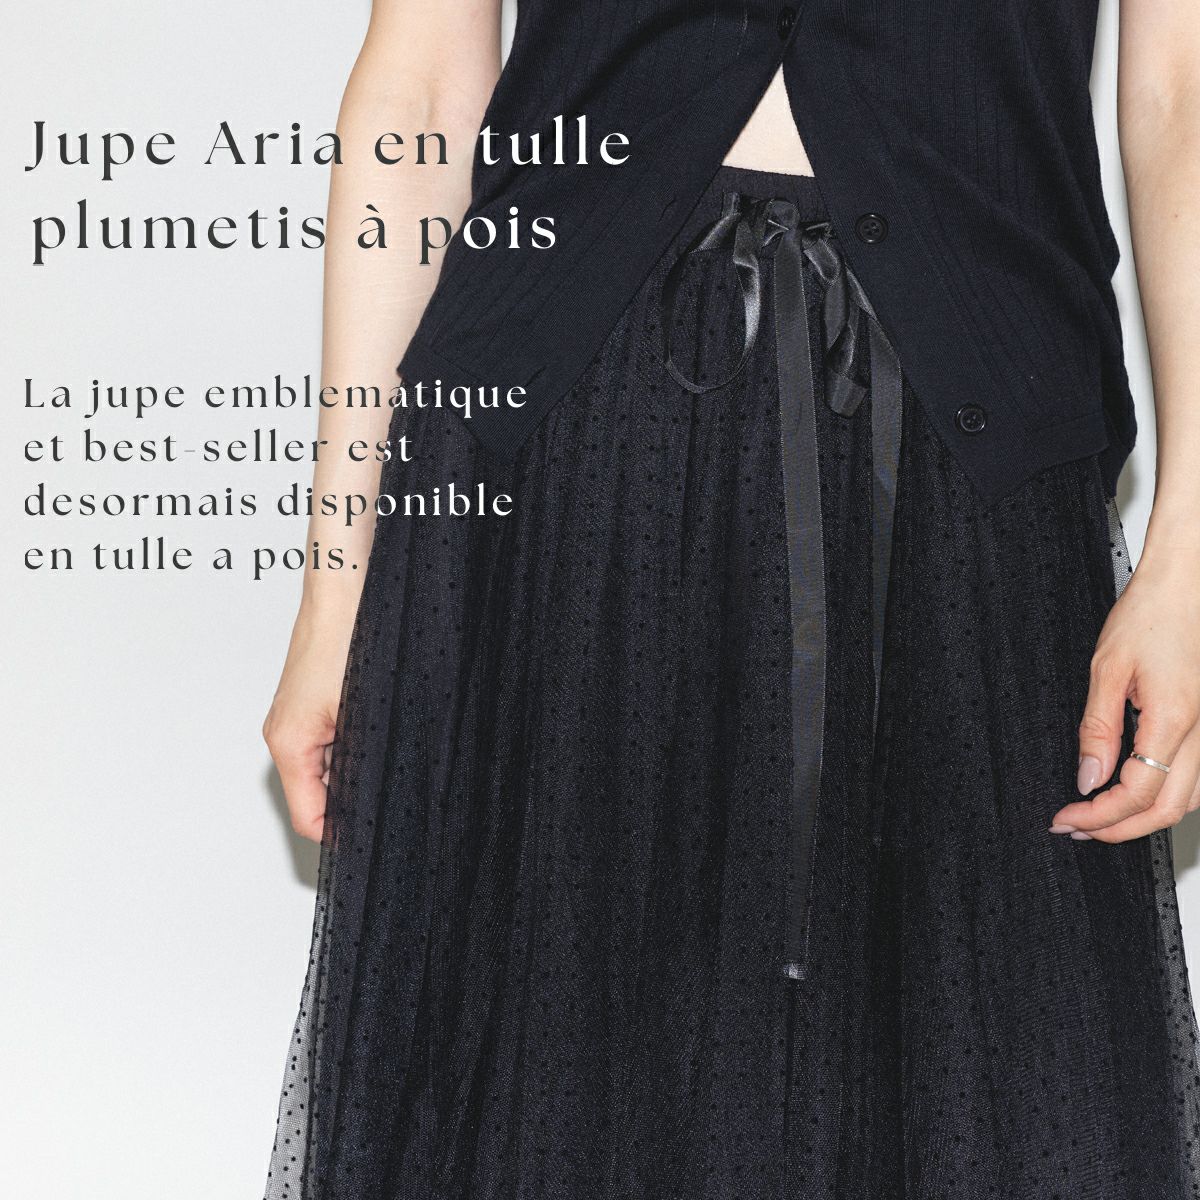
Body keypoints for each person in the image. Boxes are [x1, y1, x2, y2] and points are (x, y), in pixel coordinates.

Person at [262, 1, 1200, 1196]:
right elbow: (421, 87)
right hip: (564, 438)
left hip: (972, 450)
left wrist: (1191, 555)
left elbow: (1182, 89)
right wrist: (335, 598)